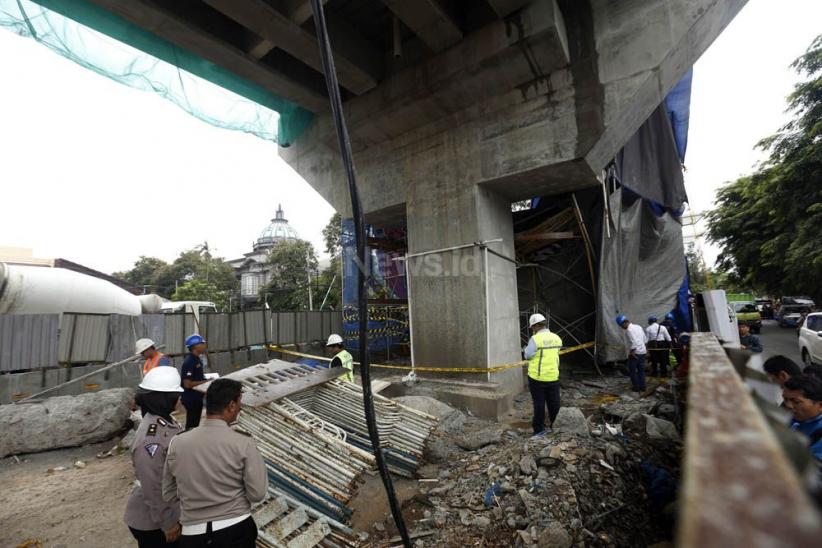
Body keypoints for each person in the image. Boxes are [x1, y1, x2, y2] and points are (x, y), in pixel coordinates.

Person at [162, 379, 267, 548]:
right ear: (232, 405)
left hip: (192, 534)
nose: (240, 408)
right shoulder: (243, 442)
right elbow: (257, 494)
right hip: (235, 529)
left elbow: (168, 493)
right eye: (239, 402)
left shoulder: (177, 442)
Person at [125, 367, 184, 548]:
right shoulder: (150, 439)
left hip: (166, 511)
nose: (180, 398)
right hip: (153, 523)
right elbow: (152, 483)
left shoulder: (163, 421)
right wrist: (168, 522)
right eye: (177, 394)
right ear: (164, 398)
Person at [522, 313, 563, 435]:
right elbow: (557, 350)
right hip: (553, 377)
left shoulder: (535, 339)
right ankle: (555, 427)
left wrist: (526, 349)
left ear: (535, 326)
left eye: (532, 327)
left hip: (537, 378)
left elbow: (528, 355)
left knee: (539, 404)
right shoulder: (556, 337)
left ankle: (539, 430)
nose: (532, 330)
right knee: (554, 404)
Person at [782, 374, 822, 464]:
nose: (788, 405)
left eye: (796, 402)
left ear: (820, 405)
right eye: (785, 399)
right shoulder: (798, 417)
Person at [180, 334, 209, 430]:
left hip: (196, 397)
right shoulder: (189, 362)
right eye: (202, 343)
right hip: (191, 398)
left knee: (195, 423)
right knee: (192, 424)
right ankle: (188, 441)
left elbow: (196, 378)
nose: (205, 345)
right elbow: (187, 384)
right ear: (196, 346)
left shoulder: (197, 359)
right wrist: (206, 382)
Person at [617, 315, 647, 392]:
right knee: (641, 370)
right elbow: (645, 340)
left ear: (624, 323)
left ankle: (636, 387)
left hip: (635, 353)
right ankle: (643, 387)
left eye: (621, 325)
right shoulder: (638, 327)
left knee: (632, 371)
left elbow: (634, 342)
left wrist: (632, 352)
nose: (621, 327)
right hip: (642, 352)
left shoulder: (629, 330)